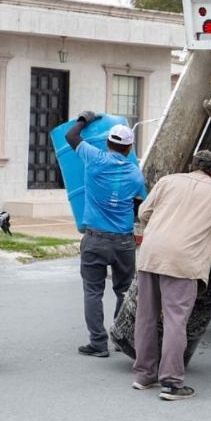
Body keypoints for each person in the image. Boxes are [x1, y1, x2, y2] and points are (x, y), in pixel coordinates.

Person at [133, 150, 211, 400]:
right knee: (176, 320)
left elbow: (143, 213)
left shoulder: (167, 181)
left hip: (151, 254)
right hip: (182, 261)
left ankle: (144, 375)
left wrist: (167, 222)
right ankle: (172, 383)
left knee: (146, 316)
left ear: (191, 166)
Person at [65, 111, 147, 358]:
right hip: (123, 241)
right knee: (123, 291)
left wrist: (84, 119)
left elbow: (71, 136)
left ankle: (98, 343)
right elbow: (138, 205)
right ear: (129, 147)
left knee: (93, 291)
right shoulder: (135, 174)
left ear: (108, 142)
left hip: (95, 239)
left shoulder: (94, 158)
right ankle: (120, 337)